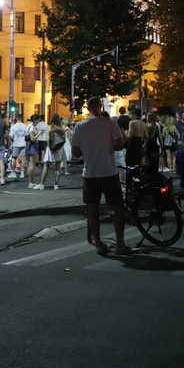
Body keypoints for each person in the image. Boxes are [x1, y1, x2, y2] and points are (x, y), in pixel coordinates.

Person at [71, 96, 130, 255]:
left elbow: (75, 152)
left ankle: (98, 243)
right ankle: (120, 243)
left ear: (88, 108)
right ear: (100, 105)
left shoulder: (80, 126)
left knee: (92, 209)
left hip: (90, 173)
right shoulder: (110, 123)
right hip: (109, 172)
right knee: (118, 207)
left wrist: (89, 150)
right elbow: (119, 146)